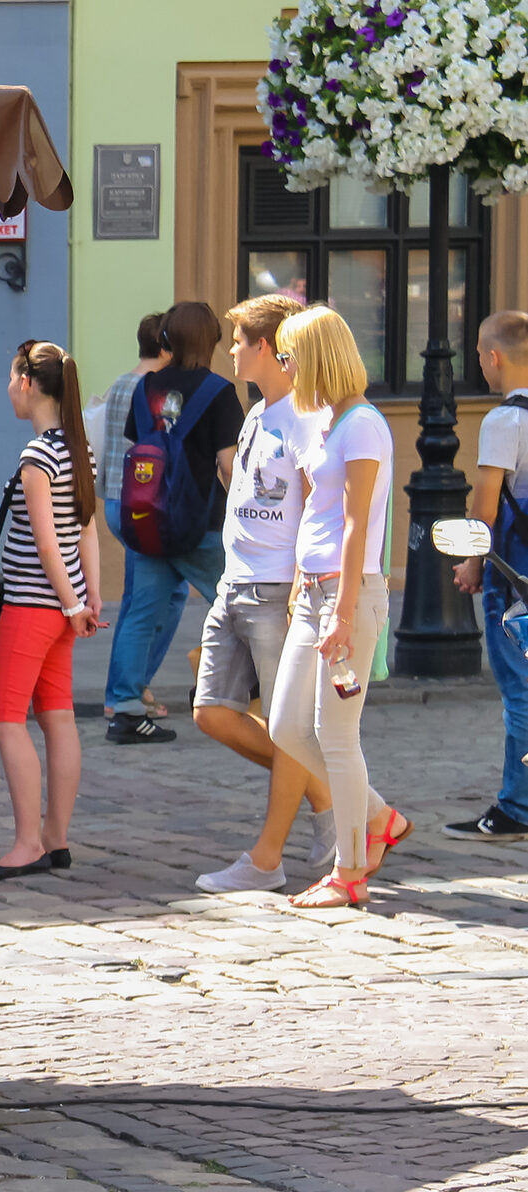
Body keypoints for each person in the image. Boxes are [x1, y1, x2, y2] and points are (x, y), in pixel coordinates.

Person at [267, 306, 411, 908]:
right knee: (285, 727)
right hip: (316, 594)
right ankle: (377, 817)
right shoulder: (326, 421)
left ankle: (350, 873)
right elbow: (320, 516)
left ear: (314, 355)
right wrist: (304, 580)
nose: (283, 365)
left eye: (287, 354)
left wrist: (345, 613)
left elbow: (357, 527)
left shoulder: (363, 426)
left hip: (348, 596)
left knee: (334, 735)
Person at [195, 296, 340, 892]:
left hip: (279, 586)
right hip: (236, 581)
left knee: (287, 726)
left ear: (266, 348)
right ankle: (341, 804)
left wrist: (306, 581)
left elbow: (321, 503)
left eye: (238, 341)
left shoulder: (307, 415)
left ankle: (266, 860)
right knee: (212, 713)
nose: (230, 350)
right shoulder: (256, 413)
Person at [0, 342, 101, 880]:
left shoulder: (36, 457)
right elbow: (86, 530)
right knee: (58, 718)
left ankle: (29, 841)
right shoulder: (77, 448)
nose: (9, 389)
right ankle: (56, 837)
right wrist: (87, 596)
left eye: (12, 380)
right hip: (63, 608)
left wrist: (74, 600)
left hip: (33, 605)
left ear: (28, 385)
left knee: (5, 719)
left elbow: (50, 544)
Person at [104, 301, 244, 744]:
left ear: (166, 341)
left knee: (140, 615)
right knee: (242, 601)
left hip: (150, 523)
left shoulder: (144, 389)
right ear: (213, 342)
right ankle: (253, 691)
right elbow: (229, 465)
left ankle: (125, 709)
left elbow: (139, 444)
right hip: (201, 525)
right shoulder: (219, 392)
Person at [447, 310, 528, 842]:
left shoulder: (504, 422)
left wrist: (474, 560)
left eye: (478, 352)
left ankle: (517, 807)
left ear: (493, 357)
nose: (479, 361)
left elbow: (486, 507)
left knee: (520, 690)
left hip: (516, 574)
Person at [85, 314, 185, 720]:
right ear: (164, 347)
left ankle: (125, 688)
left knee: (142, 597)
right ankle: (129, 688)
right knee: (158, 598)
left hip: (116, 502)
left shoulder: (122, 382)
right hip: (140, 506)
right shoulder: (155, 390)